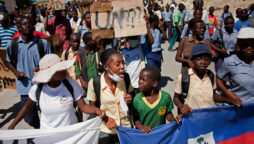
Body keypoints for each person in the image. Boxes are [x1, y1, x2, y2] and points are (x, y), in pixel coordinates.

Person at [8, 54, 104, 129]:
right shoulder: (37, 89)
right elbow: (27, 108)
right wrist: (12, 126)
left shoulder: (71, 84)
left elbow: (83, 107)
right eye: (59, 69)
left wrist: (96, 110)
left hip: (71, 135)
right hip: (49, 136)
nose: (64, 70)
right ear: (50, 74)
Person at [5, 16, 51, 128]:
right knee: (29, 118)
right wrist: (16, 72)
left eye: (31, 24)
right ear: (19, 28)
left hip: (42, 85)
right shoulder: (13, 44)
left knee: (48, 114)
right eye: (25, 24)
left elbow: (51, 62)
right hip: (25, 87)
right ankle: (39, 128)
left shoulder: (42, 43)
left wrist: (42, 68)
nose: (29, 26)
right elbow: (8, 62)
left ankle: (47, 132)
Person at [173, 44, 236, 115]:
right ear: (193, 60)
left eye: (206, 59)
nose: (203, 62)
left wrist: (227, 100)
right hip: (192, 118)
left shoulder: (211, 76)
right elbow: (176, 98)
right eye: (199, 59)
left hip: (208, 118)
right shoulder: (183, 77)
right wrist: (181, 106)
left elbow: (213, 95)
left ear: (209, 61)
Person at [87, 49, 133, 144]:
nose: (123, 67)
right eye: (118, 64)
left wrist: (130, 98)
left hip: (126, 130)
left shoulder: (126, 79)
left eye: (123, 63)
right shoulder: (95, 83)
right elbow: (92, 108)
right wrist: (106, 119)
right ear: (106, 67)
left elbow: (132, 98)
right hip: (106, 132)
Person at [216, 27, 254, 105]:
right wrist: (228, 94)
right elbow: (218, 78)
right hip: (241, 108)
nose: (249, 48)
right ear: (239, 45)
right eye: (245, 44)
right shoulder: (230, 62)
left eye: (252, 44)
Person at [133, 66, 175, 133]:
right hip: (143, 136)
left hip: (160, 135)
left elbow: (169, 115)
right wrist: (141, 127)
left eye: (143, 80)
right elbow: (135, 119)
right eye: (139, 78)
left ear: (154, 83)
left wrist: (176, 120)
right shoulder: (137, 99)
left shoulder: (165, 97)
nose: (139, 81)